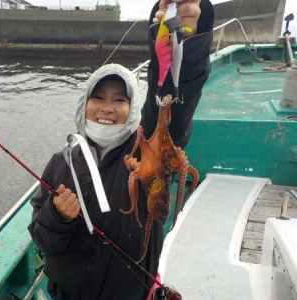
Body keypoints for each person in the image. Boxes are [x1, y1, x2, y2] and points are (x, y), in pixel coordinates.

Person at [28, 1, 214, 299]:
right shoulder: (60, 164)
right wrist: (56, 215)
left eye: (119, 100)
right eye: (98, 98)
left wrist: (186, 42)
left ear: (132, 109)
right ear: (83, 105)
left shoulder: (144, 149)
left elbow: (170, 106)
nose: (107, 108)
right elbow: (42, 239)